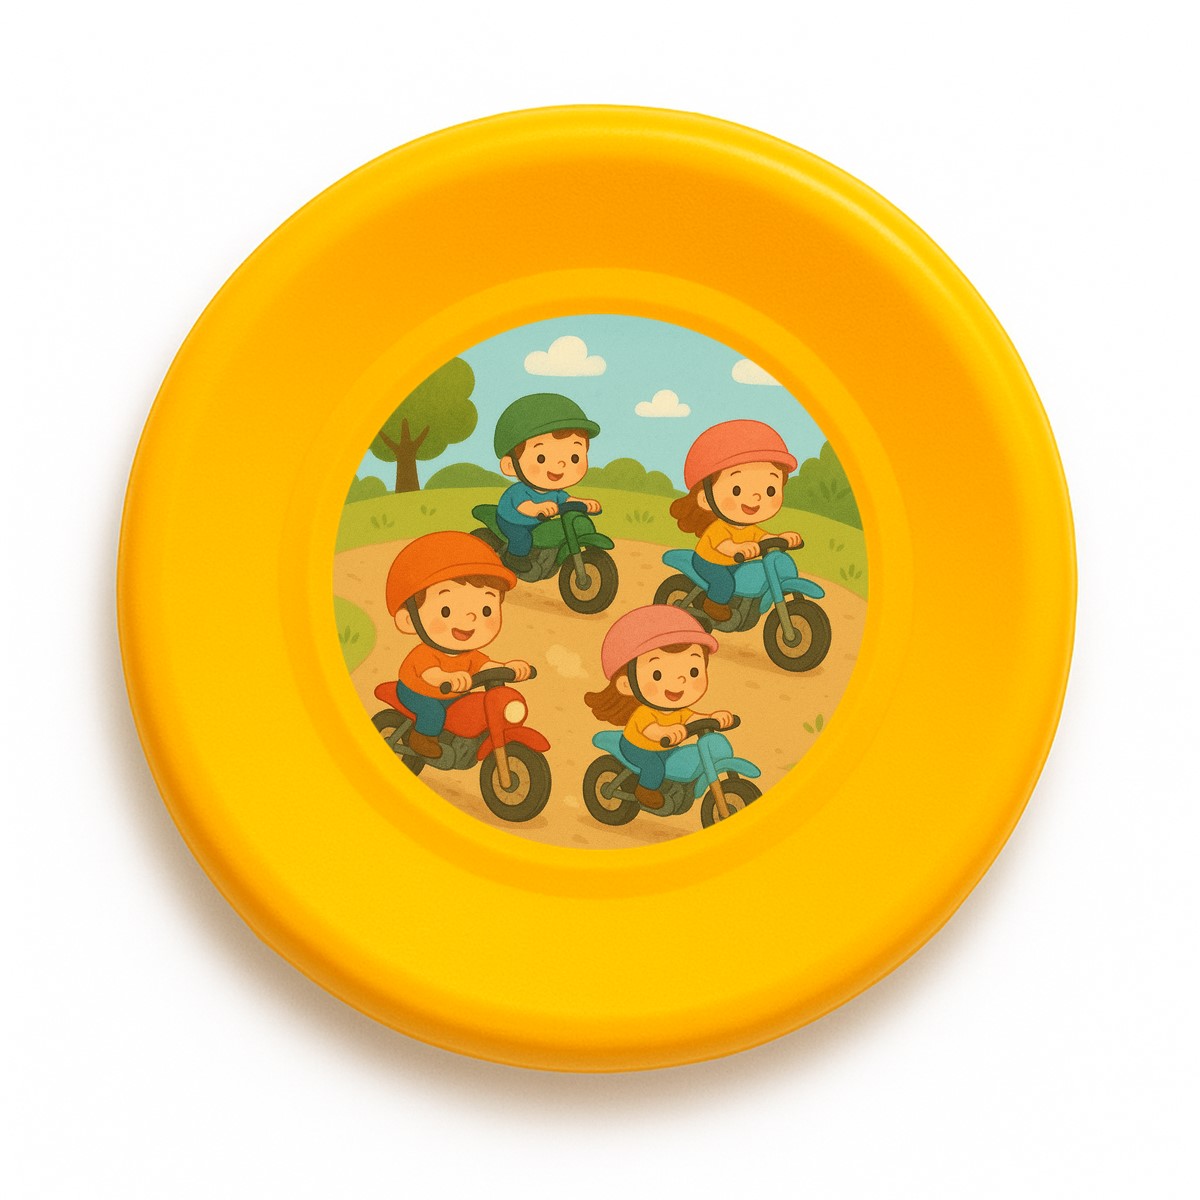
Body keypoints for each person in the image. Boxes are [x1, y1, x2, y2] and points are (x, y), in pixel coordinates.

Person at [384, 531, 532, 760]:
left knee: (472, 709)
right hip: (418, 691)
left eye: (486, 610)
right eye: (446, 610)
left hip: (452, 693)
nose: (471, 618)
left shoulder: (471, 655)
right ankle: (421, 739)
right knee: (433, 712)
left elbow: (485, 665)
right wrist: (446, 677)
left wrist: (509, 667)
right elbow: (430, 674)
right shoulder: (425, 654)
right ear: (408, 620)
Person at [584, 605, 733, 810]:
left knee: (682, 757)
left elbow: (691, 718)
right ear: (626, 684)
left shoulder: (678, 711)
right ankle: (645, 791)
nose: (680, 680)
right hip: (638, 747)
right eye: (657, 675)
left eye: (693, 671)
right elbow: (650, 730)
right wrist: (665, 731)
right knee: (654, 768)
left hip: (665, 746)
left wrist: (713, 717)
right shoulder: (644, 712)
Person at [668, 419, 805, 622]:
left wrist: (782, 538)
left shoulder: (750, 528)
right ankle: (713, 605)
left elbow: (763, 537)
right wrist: (737, 548)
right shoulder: (718, 528)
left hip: (733, 562)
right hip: (709, 561)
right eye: (737, 489)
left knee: (751, 574)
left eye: (770, 490)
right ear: (705, 498)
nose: (756, 497)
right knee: (725, 584)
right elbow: (724, 545)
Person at [493, 393, 602, 569]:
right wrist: (538, 508)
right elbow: (525, 506)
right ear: (510, 465)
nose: (560, 464)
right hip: (514, 520)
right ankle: (513, 559)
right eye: (541, 458)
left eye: (574, 457)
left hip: (538, 520)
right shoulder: (520, 491)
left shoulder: (556, 493)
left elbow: (567, 499)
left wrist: (585, 503)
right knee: (522, 539)